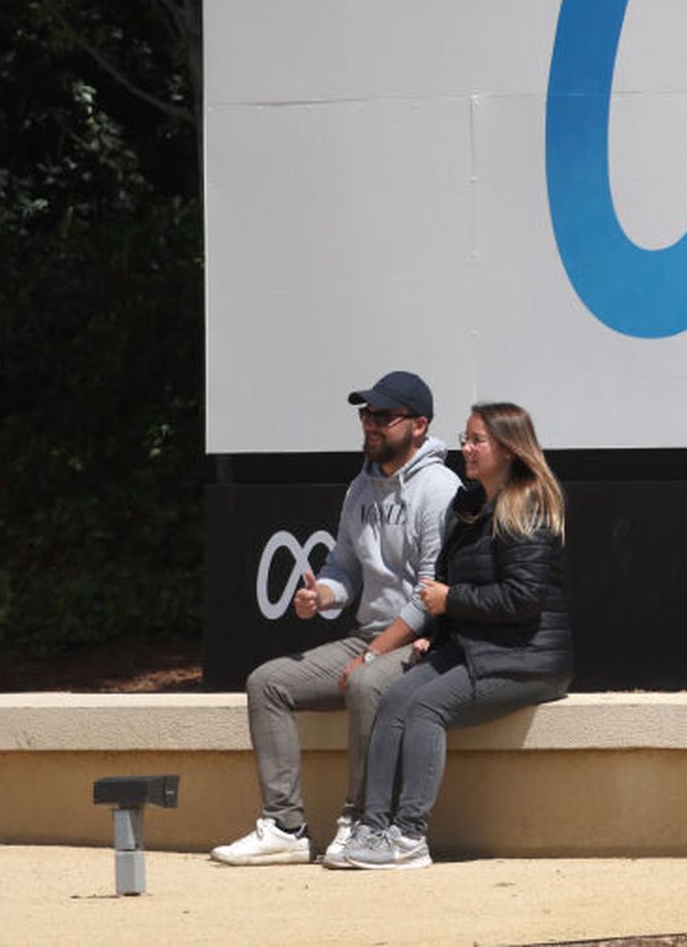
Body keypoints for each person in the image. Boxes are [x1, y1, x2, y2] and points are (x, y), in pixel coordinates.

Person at [211, 370, 460, 868]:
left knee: (367, 683)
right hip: (367, 636)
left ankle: (360, 822)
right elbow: (344, 567)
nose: (371, 424)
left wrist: (373, 652)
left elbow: (428, 597)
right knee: (268, 683)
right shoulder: (359, 487)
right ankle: (285, 827)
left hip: (422, 642)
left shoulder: (440, 488)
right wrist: (322, 595)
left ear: (418, 425)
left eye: (384, 417)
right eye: (367, 415)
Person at [342, 401, 574, 869]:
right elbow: (449, 584)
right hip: (475, 648)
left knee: (425, 708)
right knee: (395, 697)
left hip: (526, 660)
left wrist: (450, 603)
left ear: (509, 449)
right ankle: (371, 827)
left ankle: (409, 836)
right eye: (465, 438)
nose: (465, 449)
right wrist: (439, 629)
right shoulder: (468, 505)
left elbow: (521, 598)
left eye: (476, 441)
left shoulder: (526, 504)